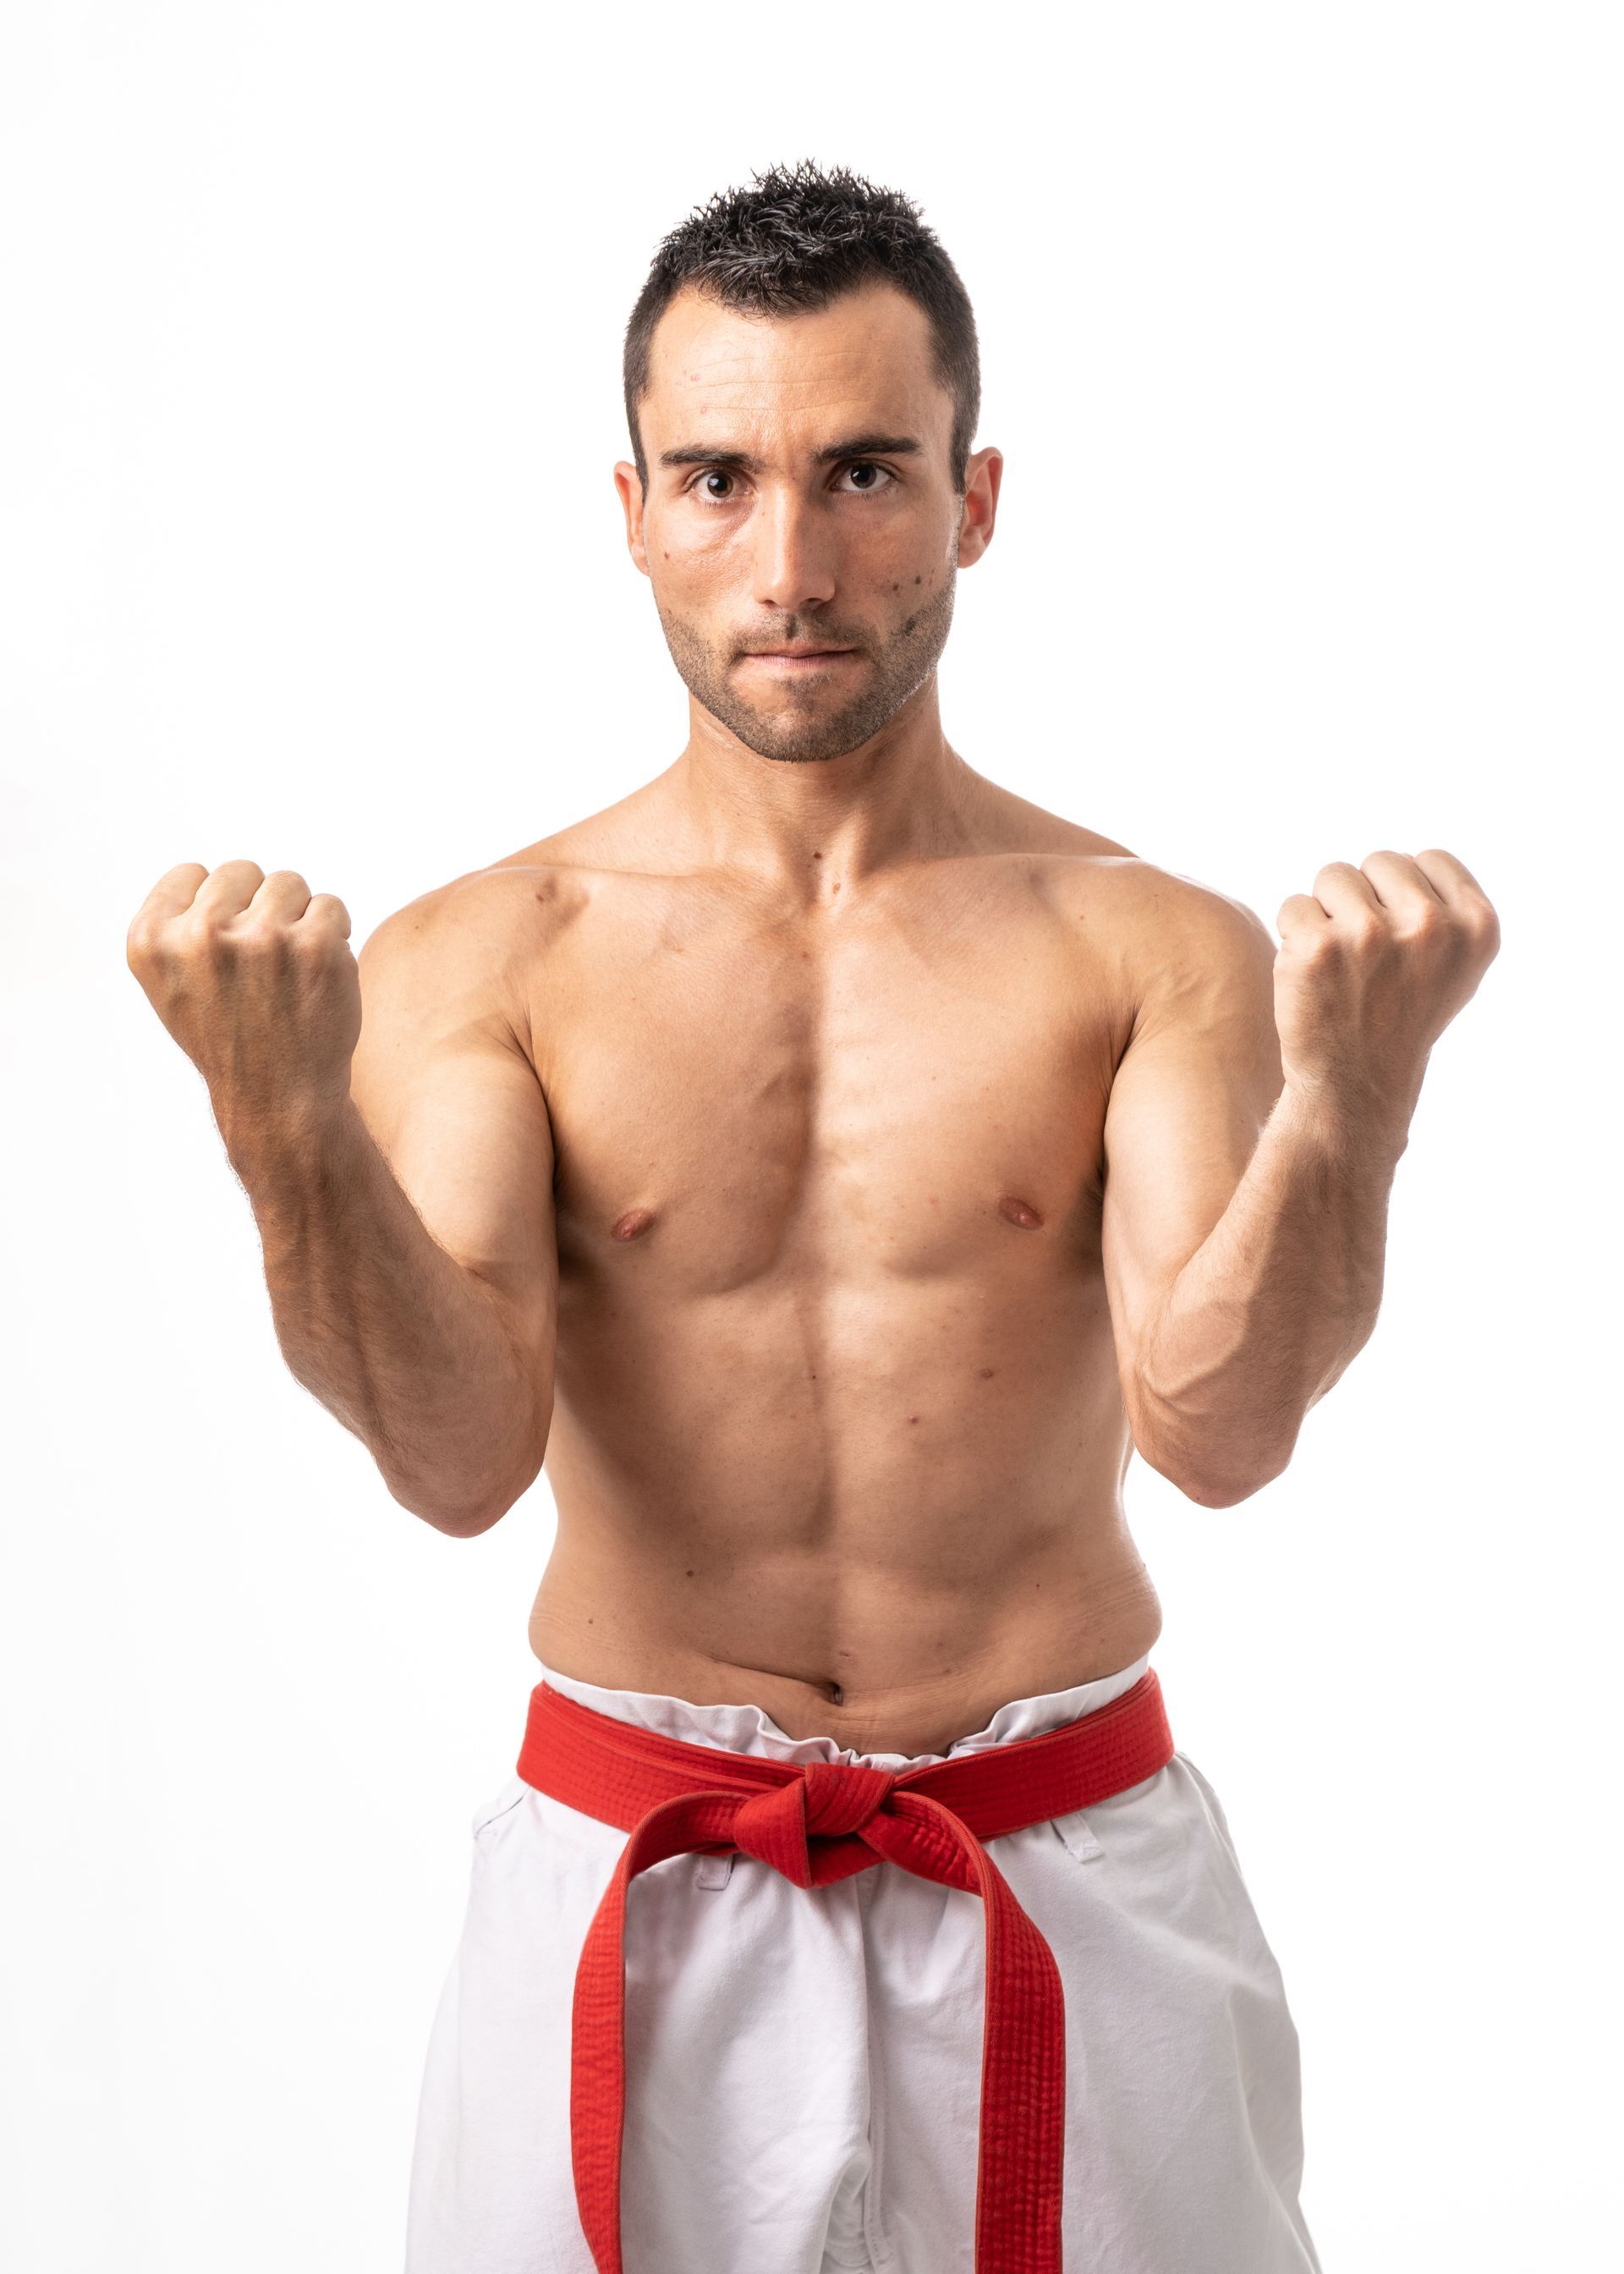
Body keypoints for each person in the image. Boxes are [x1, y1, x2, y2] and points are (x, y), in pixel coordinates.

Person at [126, 161, 1500, 2274]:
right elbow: (454, 1456)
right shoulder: (489, 954)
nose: (791, 562)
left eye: (864, 471)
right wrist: (281, 1125)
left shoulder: (1144, 944)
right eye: (719, 478)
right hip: (635, 1869)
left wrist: (1359, 1104)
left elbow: (1215, 1431)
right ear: (631, 506)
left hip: (1064, 1863)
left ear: (977, 497)